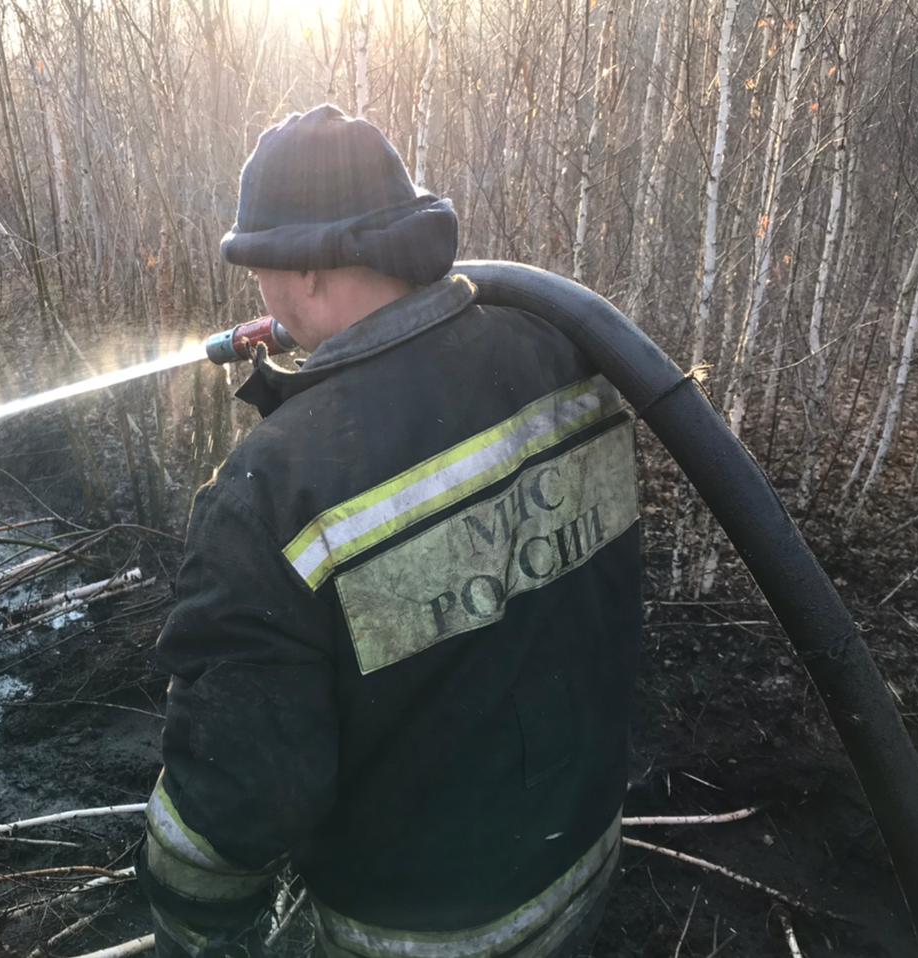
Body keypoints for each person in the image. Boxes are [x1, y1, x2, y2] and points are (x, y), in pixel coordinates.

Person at [137, 104, 642, 958]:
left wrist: (191, 930)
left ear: (305, 272)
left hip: (419, 936)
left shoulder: (274, 493)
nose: (257, 294)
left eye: (257, 267)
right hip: (584, 869)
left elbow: (236, 804)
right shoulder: (564, 355)